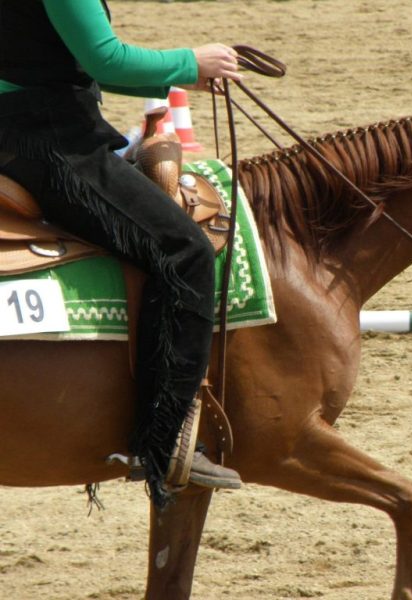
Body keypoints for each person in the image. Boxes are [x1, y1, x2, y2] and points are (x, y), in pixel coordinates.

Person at [0, 0, 243, 508]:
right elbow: (104, 59)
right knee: (185, 251)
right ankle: (163, 441)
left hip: (22, 127)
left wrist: (180, 78)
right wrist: (191, 61)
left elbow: (62, 59)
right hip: (50, 141)